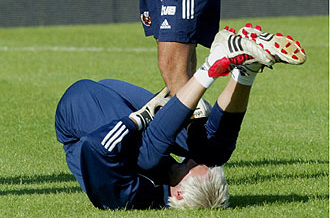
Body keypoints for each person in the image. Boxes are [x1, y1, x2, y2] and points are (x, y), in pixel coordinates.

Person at [55, 23, 306, 210]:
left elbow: (95, 148)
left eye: (192, 168)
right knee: (213, 152)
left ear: (179, 195)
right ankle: (245, 70)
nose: (191, 161)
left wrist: (139, 120)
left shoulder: (130, 199)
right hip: (120, 105)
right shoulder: (172, 183)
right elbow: (199, 158)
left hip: (78, 109)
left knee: (148, 157)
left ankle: (211, 68)